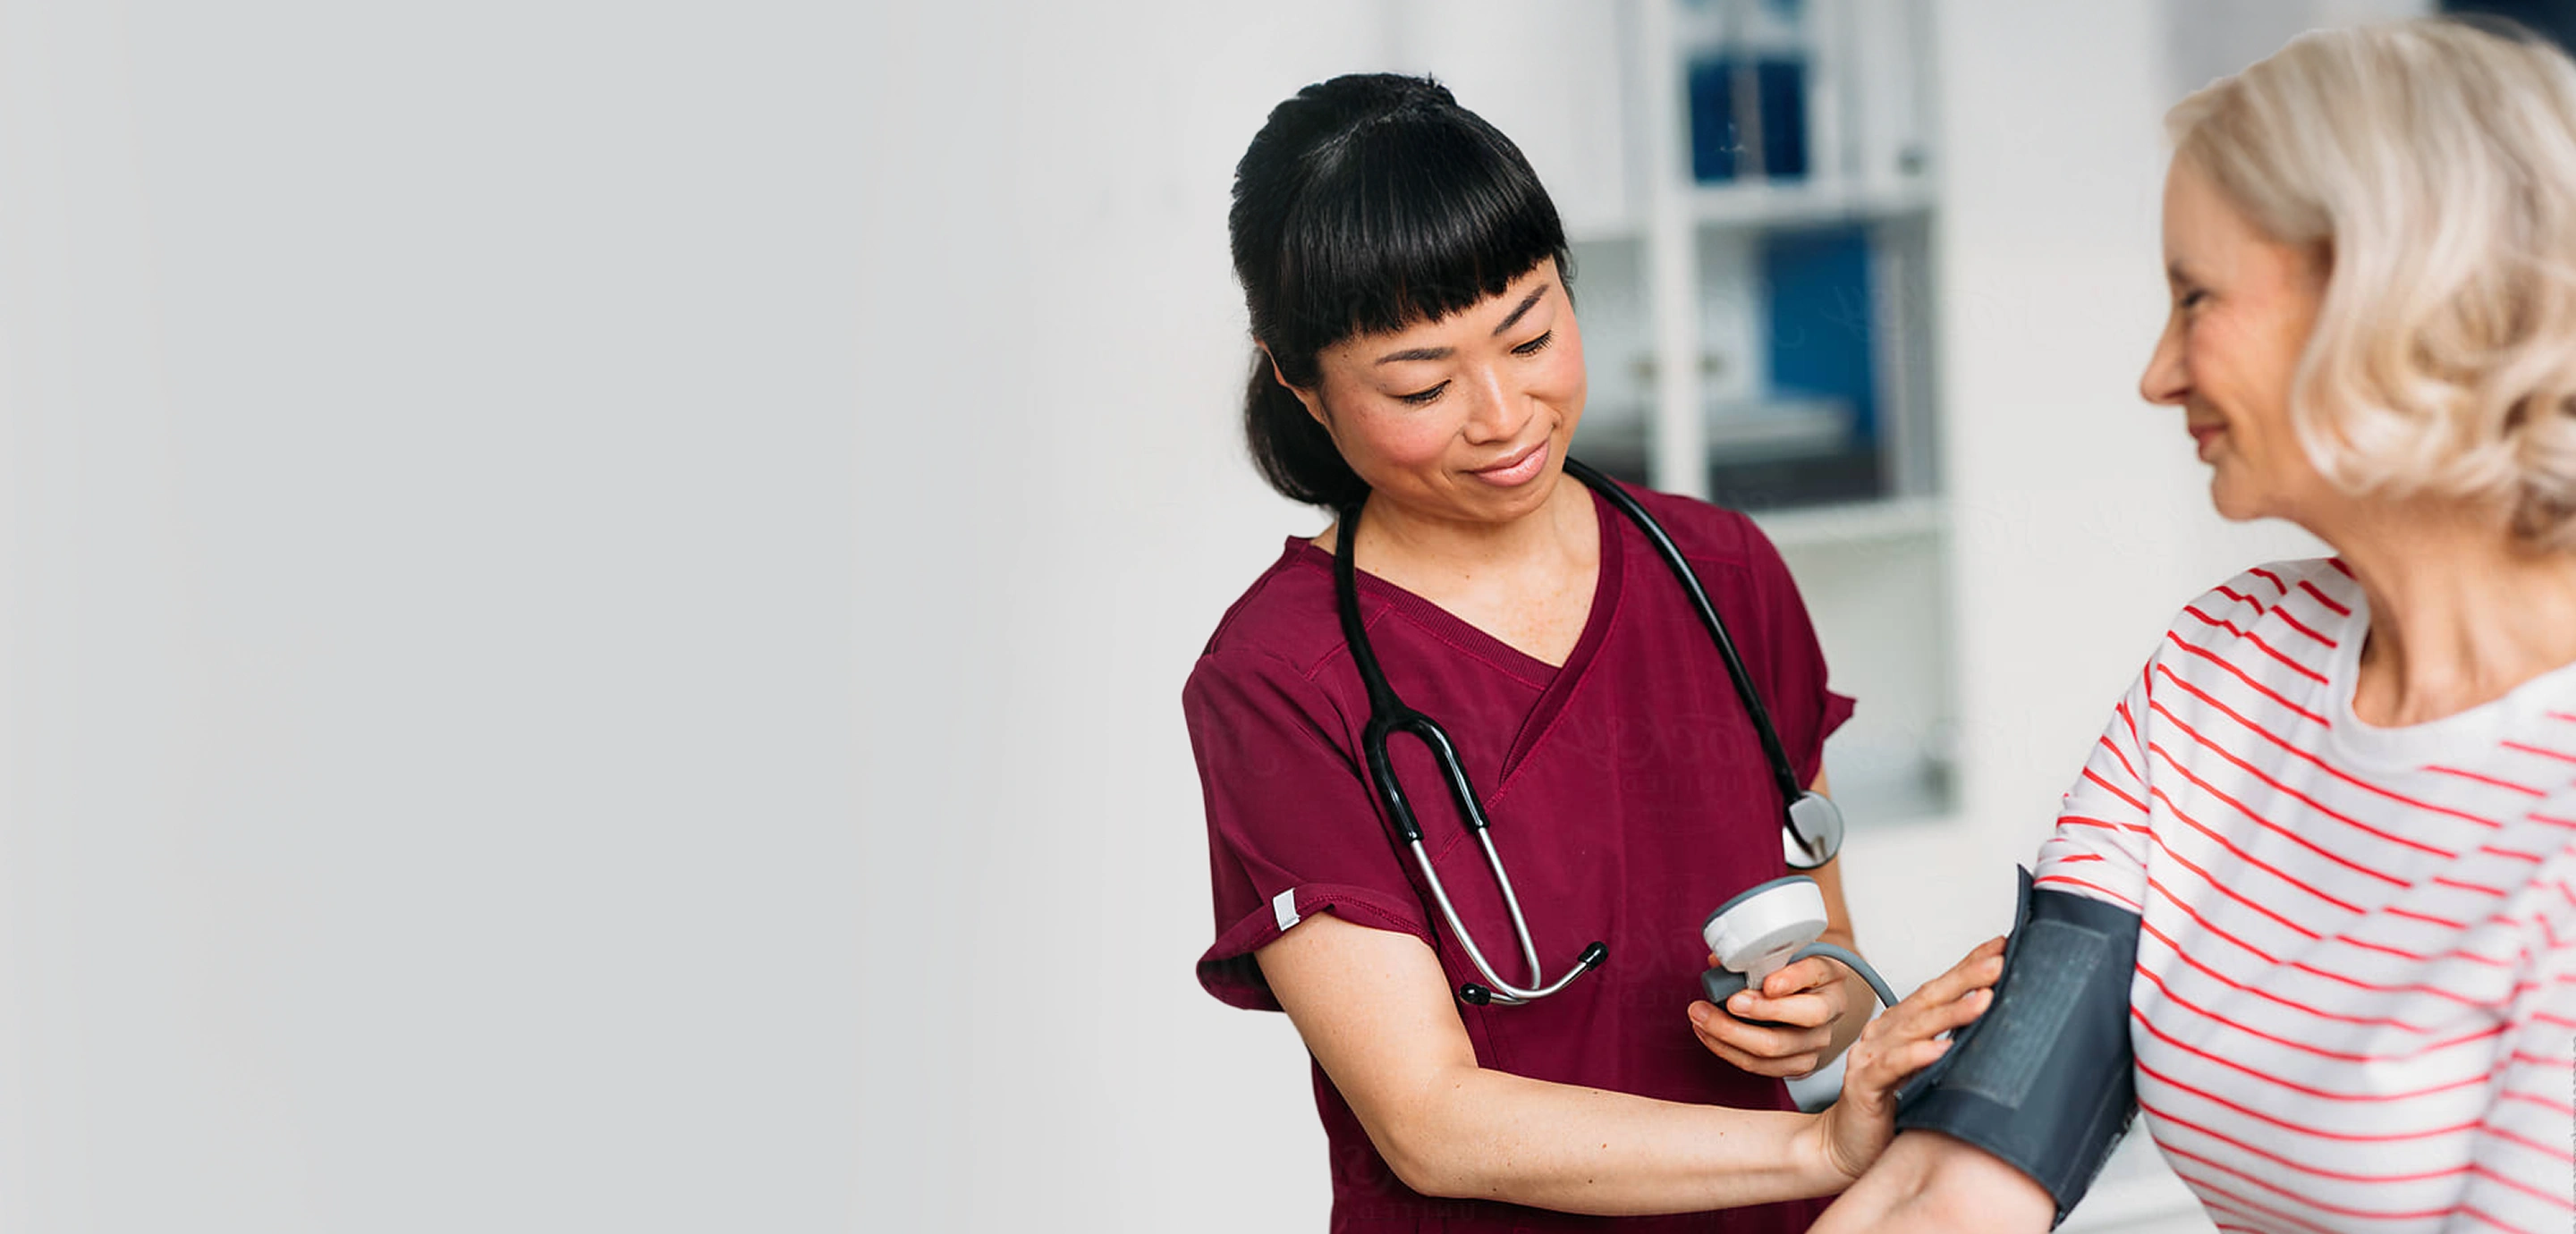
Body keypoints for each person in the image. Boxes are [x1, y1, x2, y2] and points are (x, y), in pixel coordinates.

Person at [1182, 73, 2002, 1231]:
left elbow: (1826, 941)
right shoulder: (1277, 679)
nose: (1504, 413)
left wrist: (1819, 1013)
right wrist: (1818, 1143)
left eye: (1530, 333)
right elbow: (1428, 1121)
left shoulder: (1719, 573)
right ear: (1297, 382)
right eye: (1422, 382)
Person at [1813, 19, 2576, 1234]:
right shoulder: (2224, 671)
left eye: (2195, 297)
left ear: (2388, 292)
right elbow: (1969, 1169)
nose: (2157, 374)